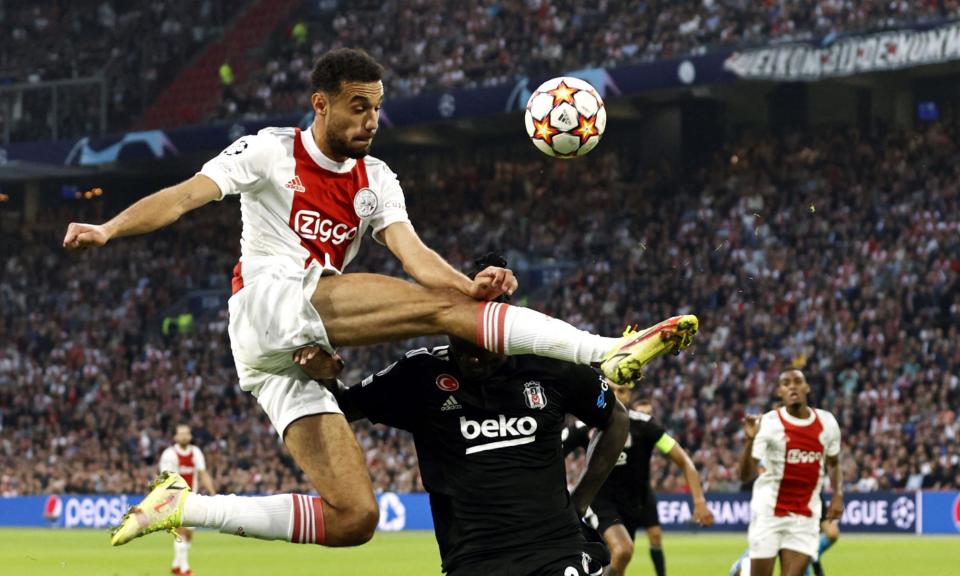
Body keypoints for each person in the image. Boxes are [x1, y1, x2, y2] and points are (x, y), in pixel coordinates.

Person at [63, 48, 698, 549]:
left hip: (283, 353)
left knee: (354, 517)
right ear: (322, 103)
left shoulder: (377, 179)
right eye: (359, 107)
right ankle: (606, 351)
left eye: (377, 107)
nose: (371, 120)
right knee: (445, 314)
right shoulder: (268, 152)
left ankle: (181, 504)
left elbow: (416, 259)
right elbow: (181, 196)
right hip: (267, 301)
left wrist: (468, 285)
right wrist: (108, 227)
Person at [297, 273, 630, 575]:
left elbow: (615, 419)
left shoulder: (550, 365)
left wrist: (581, 500)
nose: (472, 358)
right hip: (473, 559)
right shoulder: (420, 374)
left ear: (506, 337)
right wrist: (326, 378)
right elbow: (343, 406)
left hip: (557, 549)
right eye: (462, 343)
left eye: (483, 349)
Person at [564, 389, 713, 576]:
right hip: (599, 499)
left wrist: (699, 502)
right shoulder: (584, 426)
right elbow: (551, 453)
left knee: (618, 561)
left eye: (623, 390)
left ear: (630, 393)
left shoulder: (645, 425)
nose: (618, 395)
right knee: (622, 550)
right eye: (613, 389)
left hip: (634, 501)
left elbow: (684, 460)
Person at [737, 369, 843, 576]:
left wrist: (838, 495)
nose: (792, 386)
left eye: (797, 381)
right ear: (780, 392)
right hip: (769, 513)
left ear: (807, 388)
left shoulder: (827, 423)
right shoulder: (767, 423)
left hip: (805, 517)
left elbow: (834, 462)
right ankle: (743, 568)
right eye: (786, 383)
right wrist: (749, 441)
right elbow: (745, 476)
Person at [158, 425, 216, 576]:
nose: (184, 436)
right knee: (181, 532)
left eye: (186, 433)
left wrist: (213, 493)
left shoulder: (196, 452)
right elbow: (165, 480)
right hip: (174, 500)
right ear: (175, 437)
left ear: (190, 436)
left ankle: (176, 566)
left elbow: (203, 473)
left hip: (192, 498)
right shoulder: (169, 455)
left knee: (188, 535)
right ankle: (184, 569)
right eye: (181, 434)